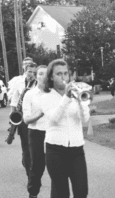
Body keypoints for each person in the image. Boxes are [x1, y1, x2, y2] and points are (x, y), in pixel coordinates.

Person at [40, 59, 90, 198]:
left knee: (81, 192)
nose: (63, 77)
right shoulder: (46, 97)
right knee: (61, 193)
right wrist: (66, 98)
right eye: (59, 74)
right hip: (55, 150)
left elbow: (85, 119)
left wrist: (81, 102)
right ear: (51, 76)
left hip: (76, 150)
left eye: (65, 73)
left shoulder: (76, 95)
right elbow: (53, 118)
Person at [22, 65, 47, 198]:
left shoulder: (57, 94)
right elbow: (26, 120)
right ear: (36, 77)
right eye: (41, 74)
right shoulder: (29, 94)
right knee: (37, 167)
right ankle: (33, 193)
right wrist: (40, 113)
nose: (44, 76)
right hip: (36, 133)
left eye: (47, 74)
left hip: (54, 133)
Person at [9, 60, 37, 177]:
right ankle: (29, 169)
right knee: (25, 144)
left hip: (36, 118)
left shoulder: (39, 83)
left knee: (34, 145)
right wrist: (12, 119)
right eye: (29, 71)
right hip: (22, 117)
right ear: (25, 71)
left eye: (33, 72)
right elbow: (14, 100)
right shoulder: (19, 82)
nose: (31, 74)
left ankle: (29, 161)